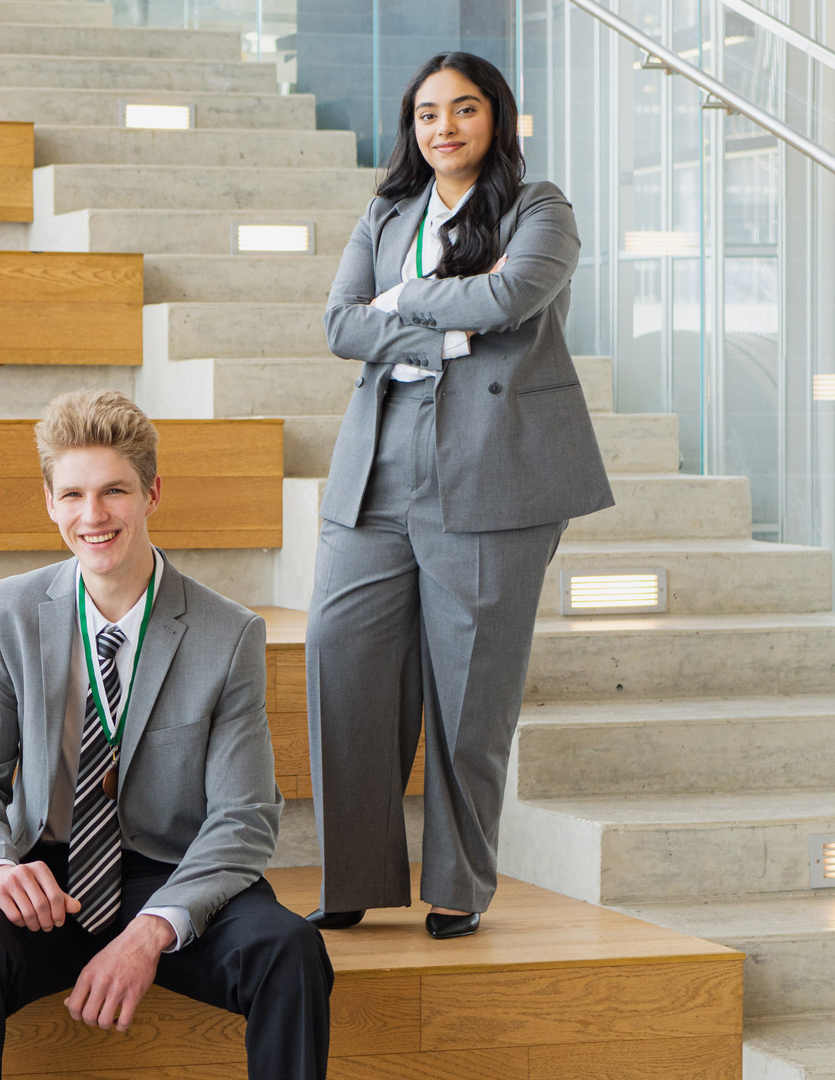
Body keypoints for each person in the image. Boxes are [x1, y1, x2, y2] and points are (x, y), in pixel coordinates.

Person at [0, 390, 332, 1080]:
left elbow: (245, 817)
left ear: (152, 493)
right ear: (49, 500)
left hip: (172, 875)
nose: (93, 515)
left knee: (290, 950)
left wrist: (151, 931)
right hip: (45, 877)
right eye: (73, 494)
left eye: (114, 491)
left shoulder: (229, 634)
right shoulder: (9, 611)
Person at [309, 53, 612, 940]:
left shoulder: (540, 207)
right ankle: (352, 876)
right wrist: (449, 327)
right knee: (340, 660)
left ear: (496, 117)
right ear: (412, 126)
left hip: (495, 469)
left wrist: (401, 305)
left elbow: (516, 293)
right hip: (377, 463)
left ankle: (457, 886)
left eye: (464, 109)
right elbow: (338, 324)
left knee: (472, 692)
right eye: (428, 112)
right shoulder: (385, 211)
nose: (444, 127)